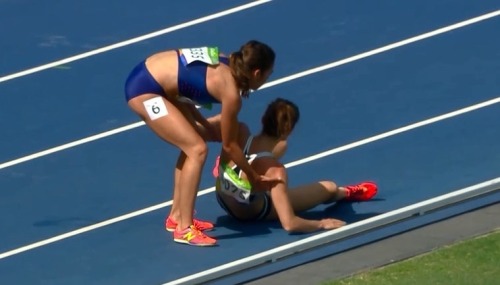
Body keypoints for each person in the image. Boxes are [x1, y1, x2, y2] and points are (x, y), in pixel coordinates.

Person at [124, 40, 280, 246]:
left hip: (153, 78)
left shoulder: (226, 60)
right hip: (145, 91)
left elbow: (182, 86)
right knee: (196, 149)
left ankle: (177, 216)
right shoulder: (231, 93)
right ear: (257, 73)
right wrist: (252, 177)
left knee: (192, 142)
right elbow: (229, 146)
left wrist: (203, 124)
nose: (267, 80)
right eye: (269, 75)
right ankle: (184, 230)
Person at [213, 98, 378, 232]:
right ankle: (343, 192)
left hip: (223, 198)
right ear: (288, 131)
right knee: (329, 187)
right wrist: (321, 224)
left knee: (281, 147)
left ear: (263, 119)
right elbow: (290, 224)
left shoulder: (239, 131)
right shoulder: (276, 173)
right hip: (249, 213)